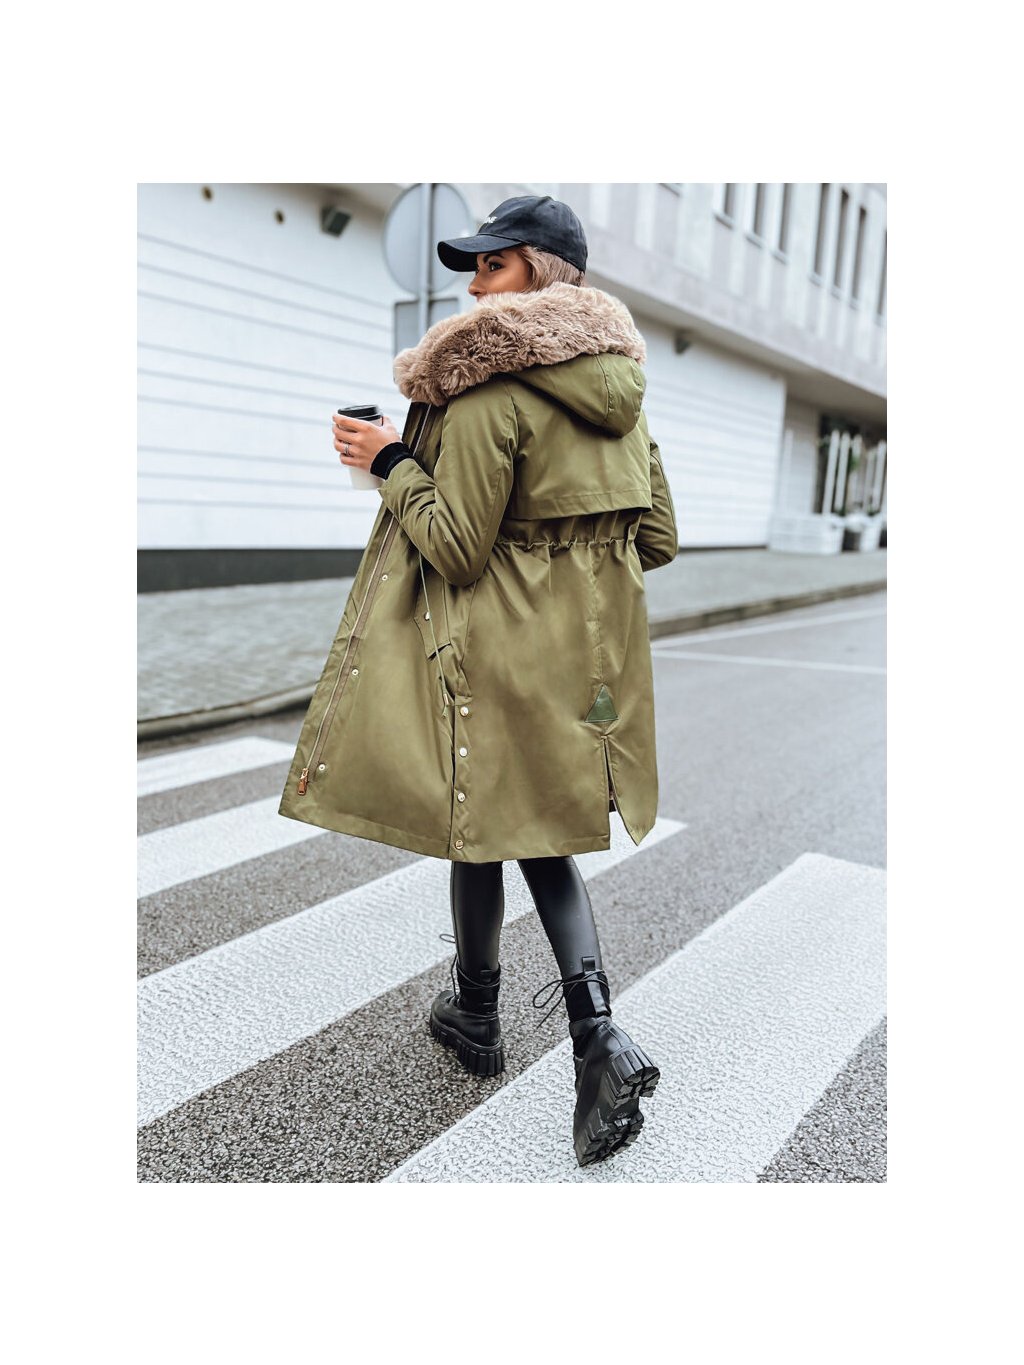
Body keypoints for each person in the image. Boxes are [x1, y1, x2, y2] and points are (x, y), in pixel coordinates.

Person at [278, 195, 678, 1167]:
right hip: (583, 661)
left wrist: (390, 460)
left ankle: (575, 1033)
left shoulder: (487, 394)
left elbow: (455, 546)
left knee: (488, 822)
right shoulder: (623, 399)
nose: (471, 286)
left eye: (490, 266)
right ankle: (495, 1015)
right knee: (512, 830)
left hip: (495, 653)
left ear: (537, 271)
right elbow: (659, 539)